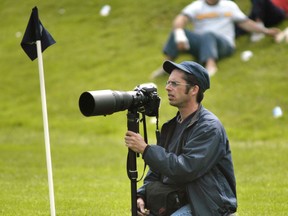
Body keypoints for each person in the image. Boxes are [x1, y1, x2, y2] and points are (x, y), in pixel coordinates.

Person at [125, 60, 237, 215]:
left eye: (175, 84)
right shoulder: (170, 126)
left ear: (194, 90)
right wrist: (141, 195)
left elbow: (185, 169)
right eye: (168, 82)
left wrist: (145, 149)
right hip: (178, 200)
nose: (167, 88)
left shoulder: (209, 128)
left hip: (207, 206)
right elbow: (156, 171)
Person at [150, 0, 281, 78]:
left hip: (225, 45)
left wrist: (266, 31)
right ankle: (166, 66)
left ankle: (210, 66)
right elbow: (181, 18)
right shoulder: (197, 6)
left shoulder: (228, 5)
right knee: (177, 32)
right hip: (201, 44)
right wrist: (180, 36)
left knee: (209, 34)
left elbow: (245, 23)